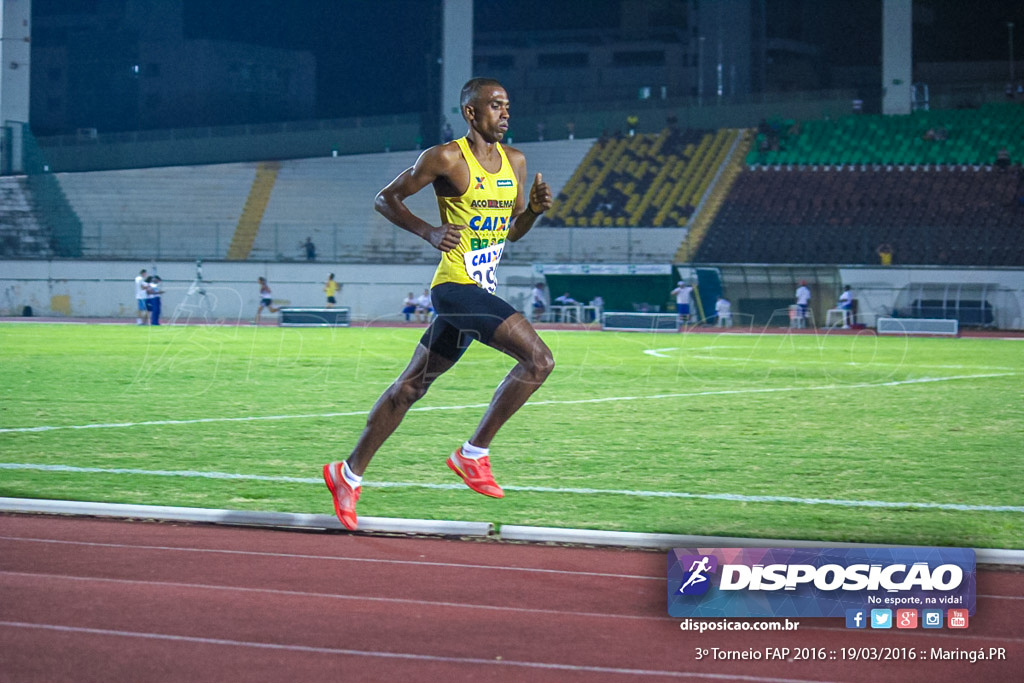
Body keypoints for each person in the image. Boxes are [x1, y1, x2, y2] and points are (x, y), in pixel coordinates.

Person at [323, 77, 554, 530]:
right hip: (454, 287)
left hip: (478, 292)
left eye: (507, 106)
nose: (505, 113)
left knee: (411, 387)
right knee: (539, 359)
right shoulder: (446, 157)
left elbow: (510, 232)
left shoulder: (516, 162)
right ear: (471, 113)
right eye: (495, 106)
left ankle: (346, 473)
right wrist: (428, 231)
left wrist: (532, 212)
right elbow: (385, 199)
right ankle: (474, 454)